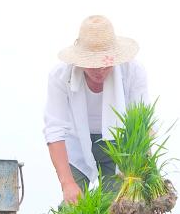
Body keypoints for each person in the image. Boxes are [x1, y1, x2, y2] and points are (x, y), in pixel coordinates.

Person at [43, 15, 149, 204]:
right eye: (92, 64)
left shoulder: (132, 72)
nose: (99, 70)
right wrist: (67, 183)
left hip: (117, 145)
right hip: (75, 142)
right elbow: (54, 130)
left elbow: (141, 127)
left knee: (116, 208)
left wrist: (137, 170)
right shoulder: (60, 76)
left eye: (105, 63)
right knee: (73, 210)